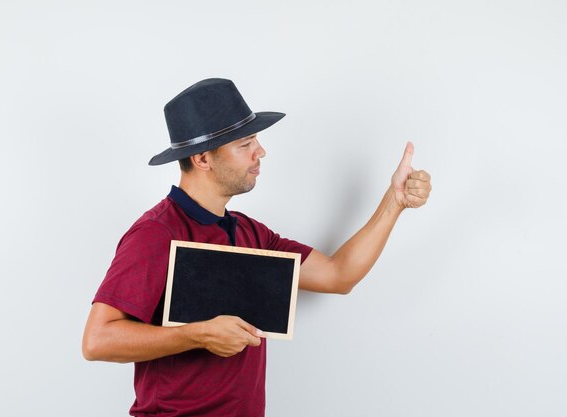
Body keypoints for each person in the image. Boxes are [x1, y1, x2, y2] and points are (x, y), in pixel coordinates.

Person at [82, 78, 432, 417]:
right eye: (245, 143)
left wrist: (394, 202)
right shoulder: (155, 233)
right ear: (203, 159)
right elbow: (97, 340)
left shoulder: (251, 234)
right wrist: (198, 334)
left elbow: (339, 276)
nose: (260, 152)